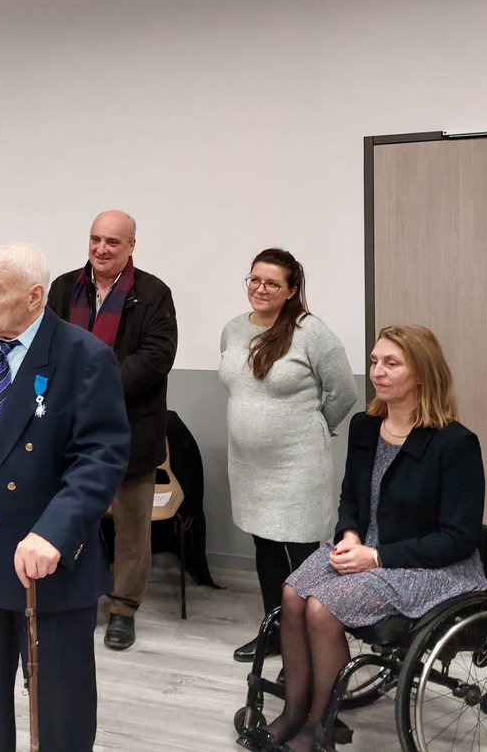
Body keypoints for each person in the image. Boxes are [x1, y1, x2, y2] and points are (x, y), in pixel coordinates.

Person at [242, 325, 487, 752]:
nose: (377, 371)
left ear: (422, 373)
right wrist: (351, 534)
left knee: (322, 607)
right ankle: (294, 711)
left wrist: (374, 556)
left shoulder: (455, 443)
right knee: (293, 593)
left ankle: (319, 727)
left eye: (392, 363)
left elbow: (458, 538)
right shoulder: (365, 426)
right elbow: (352, 497)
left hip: (428, 564)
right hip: (367, 545)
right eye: (375, 361)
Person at [0, 243, 130, 752]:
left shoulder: (83, 356)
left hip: (47, 563)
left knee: (60, 710)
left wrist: (54, 532)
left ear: (35, 296)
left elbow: (101, 457)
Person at [46, 209, 177, 650]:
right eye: (95, 239)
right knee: (72, 518)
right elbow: (46, 345)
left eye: (113, 242)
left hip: (130, 433)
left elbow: (156, 358)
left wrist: (95, 386)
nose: (101, 249)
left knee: (132, 530)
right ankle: (77, 598)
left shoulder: (154, 293)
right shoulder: (64, 287)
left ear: (131, 246)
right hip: (67, 432)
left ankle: (123, 609)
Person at [219, 248, 357, 662]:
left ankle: (314, 648)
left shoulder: (311, 332)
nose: (260, 289)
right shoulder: (233, 330)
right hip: (249, 466)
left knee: (303, 558)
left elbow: (344, 391)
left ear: (292, 290)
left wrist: (315, 426)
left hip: (298, 466)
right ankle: (276, 634)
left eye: (272, 283)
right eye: (255, 280)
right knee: (265, 550)